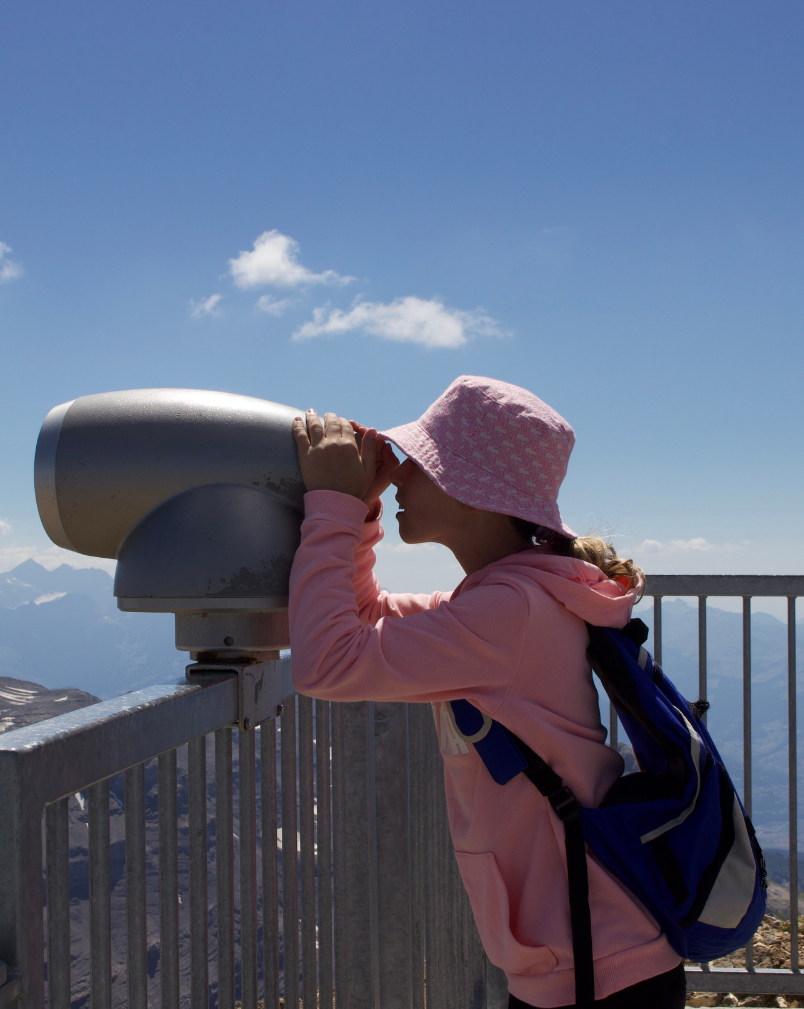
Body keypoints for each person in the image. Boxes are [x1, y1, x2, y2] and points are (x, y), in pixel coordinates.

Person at [288, 375, 686, 1009]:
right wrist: (359, 513)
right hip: (586, 947)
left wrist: (332, 502)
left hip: (590, 963)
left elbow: (326, 663)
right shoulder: (503, 602)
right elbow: (365, 621)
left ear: (470, 494)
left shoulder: (510, 612)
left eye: (418, 464)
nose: (399, 478)